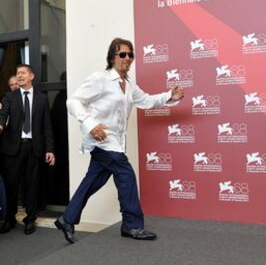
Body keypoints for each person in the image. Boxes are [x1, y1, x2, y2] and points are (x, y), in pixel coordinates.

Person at [54, 38, 184, 244]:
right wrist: (90, 124)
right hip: (102, 140)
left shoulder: (130, 85)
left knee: (94, 180)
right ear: (112, 57)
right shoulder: (100, 79)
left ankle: (67, 219)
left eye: (130, 54)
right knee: (126, 175)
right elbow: (73, 101)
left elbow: (147, 101)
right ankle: (132, 225)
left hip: (115, 141)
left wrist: (170, 95)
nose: (127, 58)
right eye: (122, 54)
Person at [0, 64, 56, 235]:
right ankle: (10, 218)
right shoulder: (10, 97)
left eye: (23, 73)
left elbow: (47, 125)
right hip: (12, 149)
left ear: (31, 76)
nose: (20, 76)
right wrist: (0, 125)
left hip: (34, 148)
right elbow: (4, 115)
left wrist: (50, 149)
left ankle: (30, 219)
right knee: (11, 185)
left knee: (32, 186)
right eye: (17, 74)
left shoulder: (41, 98)